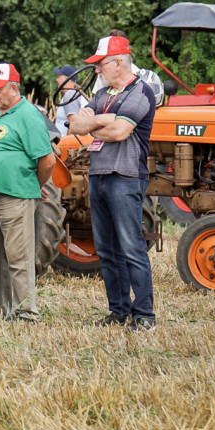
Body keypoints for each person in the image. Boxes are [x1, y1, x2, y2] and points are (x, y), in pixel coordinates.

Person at [69, 35, 158, 332]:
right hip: (99, 175)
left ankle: (144, 314)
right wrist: (104, 121)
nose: (96, 70)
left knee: (131, 247)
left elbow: (120, 132)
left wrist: (97, 123)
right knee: (106, 249)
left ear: (118, 63)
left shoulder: (140, 92)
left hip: (125, 176)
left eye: (100, 64)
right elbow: (75, 125)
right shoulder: (103, 94)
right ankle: (118, 311)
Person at [0, 63, 55, 323]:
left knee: (19, 257)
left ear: (14, 88)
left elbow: (47, 160)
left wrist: (32, 186)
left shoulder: (28, 115)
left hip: (14, 196)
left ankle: (27, 312)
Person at [52, 64, 88, 136]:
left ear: (66, 79)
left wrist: (68, 146)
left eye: (59, 76)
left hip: (69, 144)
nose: (56, 79)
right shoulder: (73, 94)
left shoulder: (70, 96)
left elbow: (73, 126)